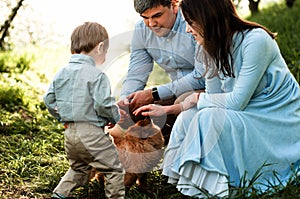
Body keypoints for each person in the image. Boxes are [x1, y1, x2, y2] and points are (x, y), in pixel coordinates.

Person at [133, 0, 300, 197]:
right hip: (246, 111)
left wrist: (195, 99)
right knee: (189, 118)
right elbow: (212, 97)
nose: (187, 30)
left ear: (208, 18)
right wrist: (168, 110)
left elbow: (237, 101)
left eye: (191, 22)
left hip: (275, 118)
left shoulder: (256, 41)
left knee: (207, 118)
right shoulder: (208, 47)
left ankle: (216, 186)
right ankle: (189, 182)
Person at [44, 22, 125, 199]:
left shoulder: (61, 72)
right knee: (114, 170)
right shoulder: (97, 75)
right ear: (100, 47)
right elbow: (104, 103)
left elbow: (48, 100)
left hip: (70, 134)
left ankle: (59, 194)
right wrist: (114, 116)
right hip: (93, 135)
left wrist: (63, 116)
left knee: (78, 169)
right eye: (105, 52)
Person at [110, 0, 205, 144]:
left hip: (208, 91)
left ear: (174, 5)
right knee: (136, 110)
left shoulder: (193, 23)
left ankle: (184, 146)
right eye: (145, 17)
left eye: (157, 15)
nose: (151, 24)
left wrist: (154, 93)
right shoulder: (141, 31)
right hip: (176, 92)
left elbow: (201, 77)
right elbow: (136, 73)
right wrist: (125, 103)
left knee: (183, 101)